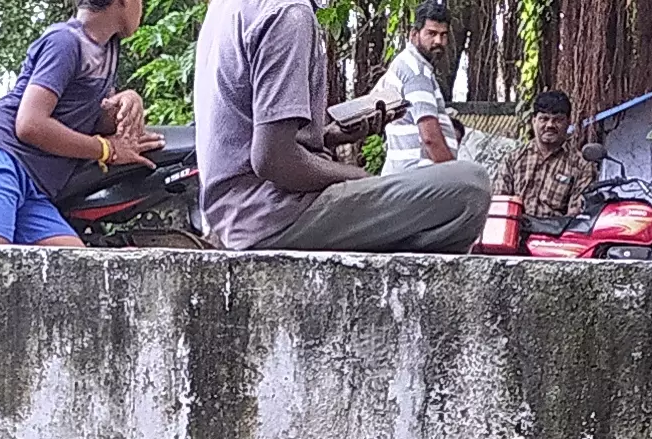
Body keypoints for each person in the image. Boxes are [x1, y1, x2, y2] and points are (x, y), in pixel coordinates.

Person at [194, 0, 492, 252]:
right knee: (469, 187)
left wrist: (330, 136)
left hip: (234, 213)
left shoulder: (226, 6)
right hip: (273, 214)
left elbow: (256, 139)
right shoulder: (290, 14)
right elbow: (272, 159)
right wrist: (356, 177)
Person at [0, 0, 163, 245]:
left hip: (34, 181)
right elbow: (30, 124)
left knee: (75, 267)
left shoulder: (108, 48)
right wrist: (107, 150)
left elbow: (84, 116)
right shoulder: (65, 42)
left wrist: (126, 102)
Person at [377, 1, 459, 173]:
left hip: (405, 177)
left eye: (443, 35)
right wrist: (454, 176)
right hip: (418, 178)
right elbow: (430, 138)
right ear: (414, 34)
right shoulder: (417, 72)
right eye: (431, 33)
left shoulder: (405, 64)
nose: (439, 41)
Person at [500, 88, 602, 226]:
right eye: (544, 119)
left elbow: (577, 216)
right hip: (515, 236)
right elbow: (500, 204)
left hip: (556, 240)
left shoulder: (582, 166)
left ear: (568, 122)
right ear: (534, 120)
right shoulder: (513, 159)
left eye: (558, 120)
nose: (550, 125)